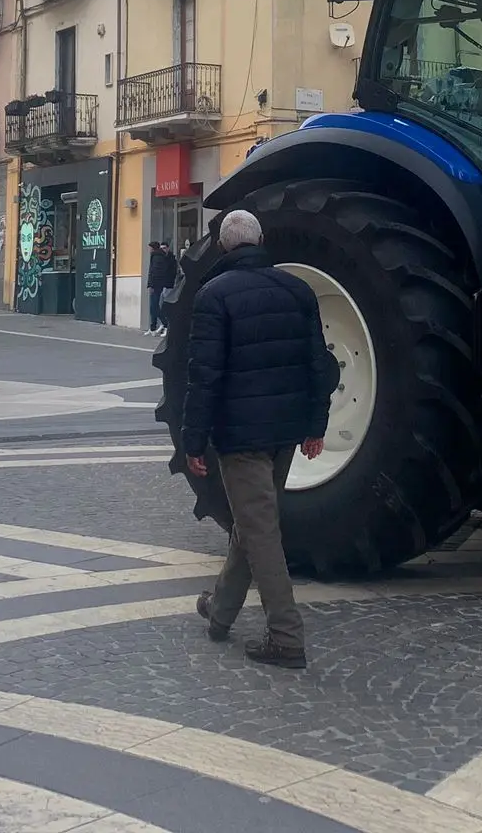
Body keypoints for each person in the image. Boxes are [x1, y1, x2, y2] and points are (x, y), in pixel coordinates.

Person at [183, 210, 338, 669]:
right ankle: (221, 611)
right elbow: (319, 366)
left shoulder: (214, 295)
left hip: (241, 436)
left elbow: (203, 377)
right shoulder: (298, 290)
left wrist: (193, 442)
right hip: (286, 432)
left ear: (226, 249)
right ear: (262, 240)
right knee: (251, 523)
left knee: (259, 528)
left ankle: (286, 636)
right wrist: (316, 425)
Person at [146, 240, 177, 334]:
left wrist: (151, 285)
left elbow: (154, 272)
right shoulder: (158, 256)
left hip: (162, 285)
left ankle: (166, 325)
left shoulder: (158, 257)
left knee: (155, 307)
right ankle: (153, 327)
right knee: (154, 307)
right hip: (160, 285)